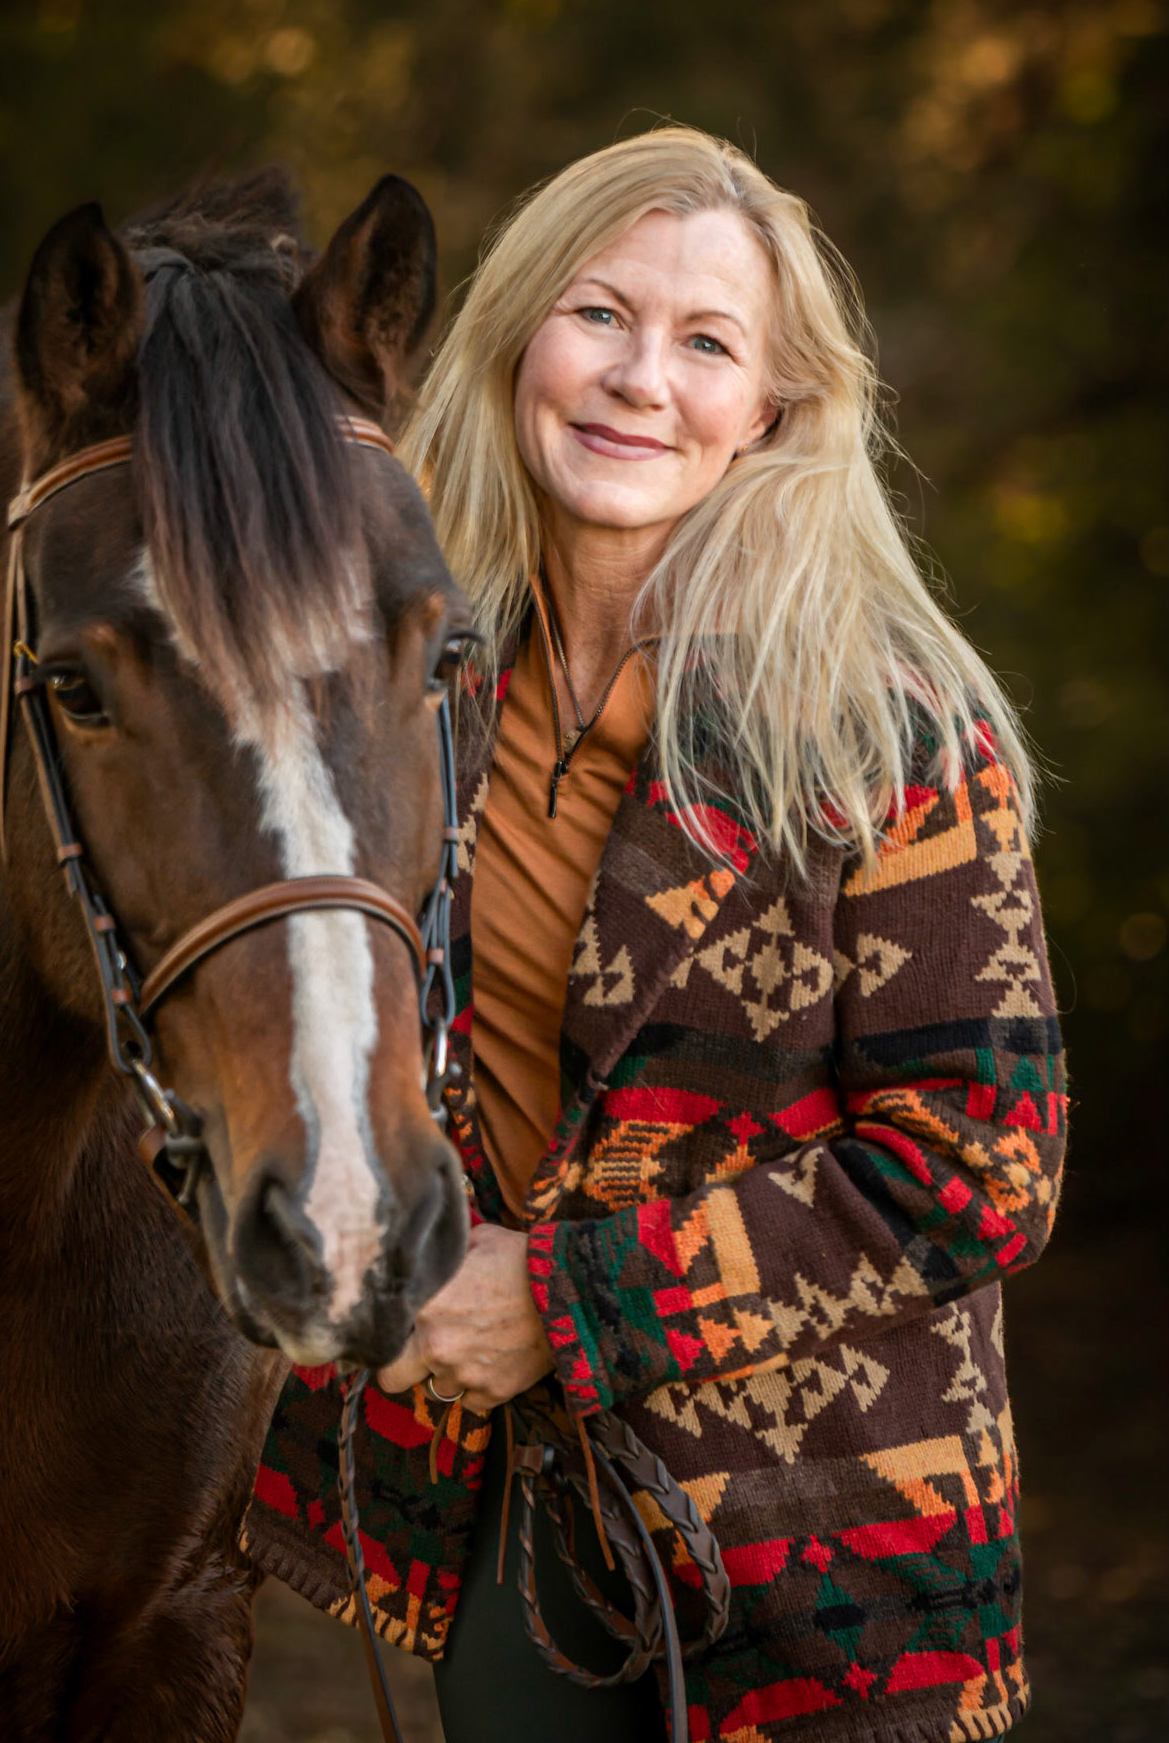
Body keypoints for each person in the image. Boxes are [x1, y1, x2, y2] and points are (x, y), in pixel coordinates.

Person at [250, 127, 1064, 1742]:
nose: (639, 378)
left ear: (769, 409)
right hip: (507, 1502)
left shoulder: (883, 727)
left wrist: (566, 1303)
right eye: (599, 315)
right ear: (517, 341)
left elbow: (984, 1163)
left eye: (705, 343)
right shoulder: (404, 694)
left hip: (826, 1527)